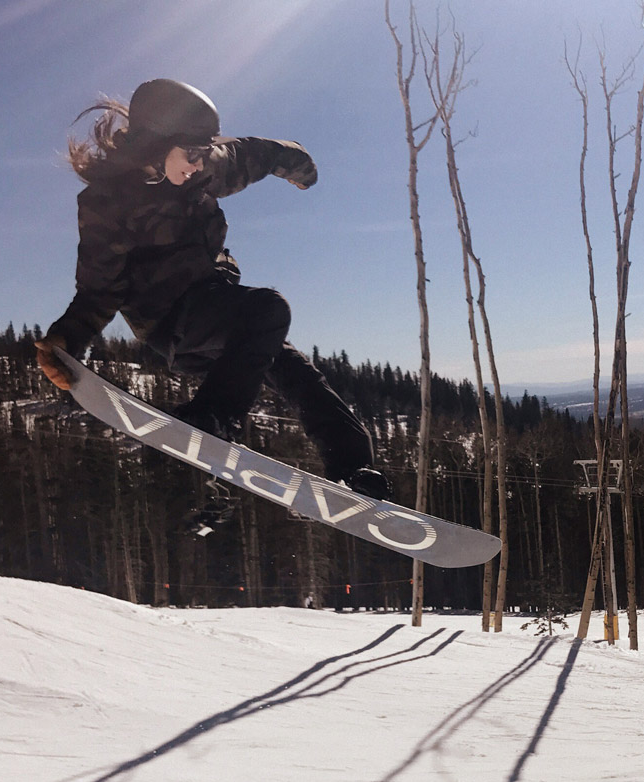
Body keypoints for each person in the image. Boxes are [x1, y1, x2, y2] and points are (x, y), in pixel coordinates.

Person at [36, 78, 390, 503]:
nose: (198, 166)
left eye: (204, 154)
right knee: (269, 309)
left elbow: (255, 154)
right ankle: (213, 417)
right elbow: (98, 290)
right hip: (171, 322)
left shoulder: (201, 168)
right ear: (155, 142)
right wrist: (66, 340)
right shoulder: (107, 203)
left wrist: (299, 164)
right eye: (191, 154)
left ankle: (353, 468)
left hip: (217, 311)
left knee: (297, 373)